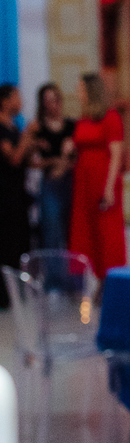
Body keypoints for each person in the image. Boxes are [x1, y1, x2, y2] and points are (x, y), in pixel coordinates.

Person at [69, 73, 126, 281]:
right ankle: (91, 276)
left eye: (81, 89)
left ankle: (109, 279)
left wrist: (109, 188)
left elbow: (116, 154)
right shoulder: (84, 119)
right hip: (83, 180)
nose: (77, 93)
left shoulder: (110, 117)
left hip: (102, 180)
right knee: (86, 231)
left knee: (106, 233)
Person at [0, 83, 35, 306]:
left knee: (20, 241)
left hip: (17, 194)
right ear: (5, 101)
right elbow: (13, 158)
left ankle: (17, 291)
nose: (21, 102)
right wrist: (27, 136)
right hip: (4, 196)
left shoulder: (12, 126)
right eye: (17, 97)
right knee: (6, 242)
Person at [31, 82, 76, 251]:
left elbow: (76, 156)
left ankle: (72, 273)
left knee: (71, 229)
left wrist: (64, 162)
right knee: (52, 230)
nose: (53, 105)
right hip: (50, 182)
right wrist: (53, 162)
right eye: (48, 101)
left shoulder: (71, 126)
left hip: (70, 180)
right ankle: (54, 275)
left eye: (56, 99)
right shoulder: (37, 128)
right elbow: (32, 162)